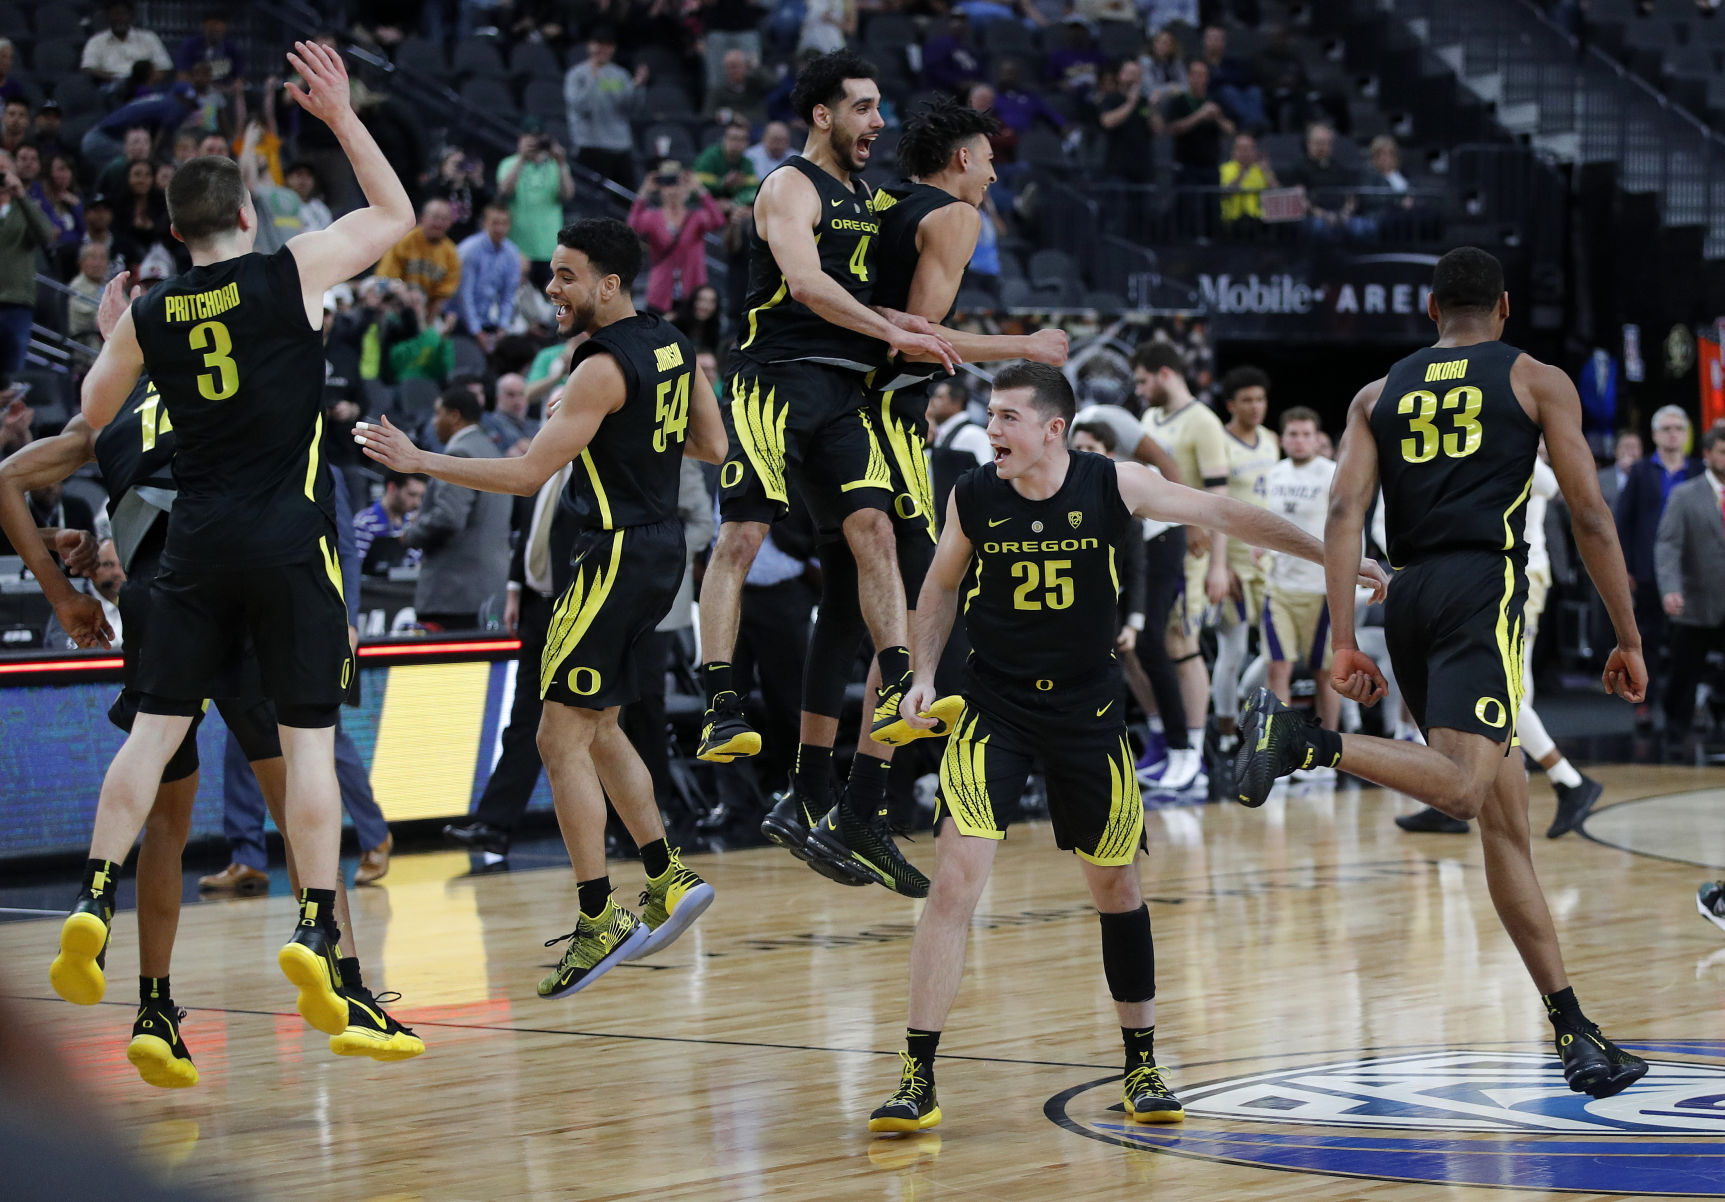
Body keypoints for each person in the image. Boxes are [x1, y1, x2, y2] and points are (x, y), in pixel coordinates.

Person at [867, 361, 1383, 1135]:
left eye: (1007, 417)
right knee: (953, 885)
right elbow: (939, 587)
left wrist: (1335, 558)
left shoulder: (1118, 484)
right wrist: (922, 671)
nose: (990, 429)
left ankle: (1142, 1061)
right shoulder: (973, 494)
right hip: (993, 708)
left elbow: (1229, 513)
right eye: (989, 415)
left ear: (1052, 429)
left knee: (1116, 889)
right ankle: (916, 1076)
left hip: (1087, 713)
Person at [59, 41, 419, 1051]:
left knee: (153, 736)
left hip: (194, 547)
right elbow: (392, 216)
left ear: (172, 230)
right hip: (288, 537)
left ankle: (93, 892)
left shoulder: (156, 310)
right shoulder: (289, 271)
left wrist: (111, 328)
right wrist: (343, 116)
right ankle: (313, 921)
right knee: (306, 743)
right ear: (250, 215)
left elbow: (95, 414)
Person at [1235, 246, 1650, 1101]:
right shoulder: (1535, 379)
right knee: (1464, 792)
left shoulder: (1375, 394)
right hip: (1480, 587)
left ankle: (1573, 1030)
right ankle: (1303, 743)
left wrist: (1342, 642)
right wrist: (1627, 634)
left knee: (1504, 826)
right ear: (1502, 307)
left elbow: (1344, 513)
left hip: (1408, 592)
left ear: (1430, 311)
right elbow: (1588, 514)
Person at [8, 344, 420, 1086]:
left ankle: (150, 1002)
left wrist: (63, 589)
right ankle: (345, 980)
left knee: (166, 820)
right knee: (297, 798)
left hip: (162, 600)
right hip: (244, 591)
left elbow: (7, 477)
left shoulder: (109, 414)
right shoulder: (232, 391)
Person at [356, 217, 730, 997]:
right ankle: (664, 874)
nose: (550, 289)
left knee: (555, 736)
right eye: (550, 273)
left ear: (609, 284)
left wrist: (422, 460)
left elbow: (529, 475)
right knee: (597, 728)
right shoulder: (668, 342)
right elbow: (711, 446)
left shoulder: (598, 365)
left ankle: (598, 916)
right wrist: (630, 442)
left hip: (611, 556)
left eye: (565, 276)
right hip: (661, 552)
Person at [755, 97, 1067, 894]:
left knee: (844, 605)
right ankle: (860, 807)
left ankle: (809, 792)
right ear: (960, 158)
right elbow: (918, 334)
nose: (996, 172)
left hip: (821, 412)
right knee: (927, 608)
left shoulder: (876, 199)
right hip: (883, 418)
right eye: (989, 157)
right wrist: (1023, 346)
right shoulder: (956, 218)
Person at [692, 52, 957, 802]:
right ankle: (719, 702)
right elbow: (806, 285)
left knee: (872, 533)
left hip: (842, 392)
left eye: (879, 107)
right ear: (823, 115)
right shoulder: (786, 185)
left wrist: (915, 325)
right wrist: (891, 329)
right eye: (865, 107)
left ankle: (901, 686)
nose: (878, 121)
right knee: (741, 535)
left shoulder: (865, 194)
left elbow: (866, 295)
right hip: (772, 381)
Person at [1398, 441, 1606, 836]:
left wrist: (1524, 443)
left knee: (1503, 690)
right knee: (1512, 688)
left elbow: (1548, 485)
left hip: (1518, 578)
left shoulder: (1514, 447)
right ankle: (1509, 784)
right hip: (1482, 579)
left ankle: (1566, 779)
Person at [1133, 340, 1229, 792]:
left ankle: (1193, 751)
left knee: (1183, 644)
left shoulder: (1204, 422)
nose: (1139, 390)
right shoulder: (1150, 419)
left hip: (1193, 552)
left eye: (1142, 380)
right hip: (1155, 546)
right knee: (1145, 646)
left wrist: (1218, 566)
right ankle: (1164, 742)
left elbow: (1221, 499)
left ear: (1165, 372)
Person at [1259, 406, 1340, 765]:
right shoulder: (1273, 475)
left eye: (1306, 434)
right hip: (1279, 588)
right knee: (1277, 667)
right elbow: (1262, 522)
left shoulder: (1332, 474)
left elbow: (1347, 530)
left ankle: (1328, 751)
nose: (1300, 440)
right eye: (1293, 434)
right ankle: (1283, 749)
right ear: (1282, 438)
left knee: (1326, 673)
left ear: (1316, 437)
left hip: (1321, 590)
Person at [1210, 367, 1279, 766]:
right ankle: (1222, 733)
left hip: (1268, 560)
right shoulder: (1218, 441)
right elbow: (1212, 506)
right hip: (1232, 559)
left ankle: (1234, 703)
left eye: (1261, 399)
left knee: (1277, 652)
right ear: (1232, 404)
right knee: (1232, 649)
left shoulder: (1271, 440)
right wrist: (1220, 565)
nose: (1256, 407)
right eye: (1248, 400)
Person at [399, 388, 511, 630]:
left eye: (437, 413)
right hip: (490, 589)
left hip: (454, 594)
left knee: (444, 668)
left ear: (454, 416)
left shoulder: (460, 453)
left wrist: (412, 534)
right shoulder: (494, 452)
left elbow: (449, 517)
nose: (433, 421)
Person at [1615, 404, 1699, 725]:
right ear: (1654, 434)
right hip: (1647, 568)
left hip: (1689, 571)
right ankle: (1644, 702)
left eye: (1678, 428)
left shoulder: (1696, 469)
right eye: (1666, 428)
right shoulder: (1640, 471)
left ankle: (1681, 706)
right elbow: (1623, 522)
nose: (1673, 433)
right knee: (1647, 637)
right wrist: (1624, 568)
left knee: (1685, 641)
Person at [1656, 426, 1725, 747]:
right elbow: (1668, 545)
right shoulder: (1685, 494)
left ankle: (1717, 712)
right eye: (1722, 451)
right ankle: (1674, 729)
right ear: (1708, 455)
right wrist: (1670, 587)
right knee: (1684, 672)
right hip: (1695, 599)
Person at [628, 164, 727, 315]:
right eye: (667, 185)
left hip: (692, 290)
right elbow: (632, 227)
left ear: (685, 189)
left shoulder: (696, 217)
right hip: (660, 292)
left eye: (677, 185)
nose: (673, 190)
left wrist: (700, 189)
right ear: (661, 190)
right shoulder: (652, 217)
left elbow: (718, 221)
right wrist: (644, 191)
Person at [564, 28, 647, 188]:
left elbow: (632, 109)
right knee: (591, 202)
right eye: (599, 44)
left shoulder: (621, 75)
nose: (603, 49)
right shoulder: (577, 74)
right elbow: (579, 107)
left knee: (624, 201)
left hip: (619, 145)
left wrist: (637, 87)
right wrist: (593, 80)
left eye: (608, 45)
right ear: (590, 46)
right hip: (589, 145)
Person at [496, 124, 575, 286]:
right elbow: (504, 191)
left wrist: (561, 163)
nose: (535, 144)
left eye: (538, 139)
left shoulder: (556, 166)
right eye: (530, 139)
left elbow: (567, 195)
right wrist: (522, 159)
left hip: (549, 249)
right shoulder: (508, 164)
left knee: (550, 303)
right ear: (520, 140)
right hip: (517, 249)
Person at [0, 150, 56, 375]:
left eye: (3, 170)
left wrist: (20, 195)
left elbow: (45, 234)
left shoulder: (25, 207)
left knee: (14, 372)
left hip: (17, 301)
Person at [376, 197, 461, 317]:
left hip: (426, 312)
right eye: (435, 217)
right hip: (395, 306)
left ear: (450, 223)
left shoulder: (451, 253)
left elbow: (441, 297)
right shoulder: (404, 241)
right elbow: (384, 279)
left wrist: (426, 328)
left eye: (444, 219)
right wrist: (402, 292)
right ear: (423, 217)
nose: (439, 223)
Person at [456, 203, 523, 336]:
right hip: (460, 319)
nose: (499, 228)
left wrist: (503, 326)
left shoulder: (512, 253)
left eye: (504, 223)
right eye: (495, 223)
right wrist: (476, 331)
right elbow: (464, 294)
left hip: (488, 320)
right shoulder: (469, 250)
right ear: (484, 224)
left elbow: (508, 295)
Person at [82, 3, 173, 86]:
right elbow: (88, 68)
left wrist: (148, 81)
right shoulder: (96, 41)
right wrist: (114, 78)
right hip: (112, 86)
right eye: (115, 14)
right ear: (107, 17)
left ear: (131, 16)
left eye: (123, 14)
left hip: (145, 85)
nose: (119, 19)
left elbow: (164, 67)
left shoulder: (149, 37)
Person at [693, 118, 762, 206]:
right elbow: (696, 186)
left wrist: (734, 202)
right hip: (705, 206)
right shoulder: (709, 157)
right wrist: (722, 183)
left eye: (741, 140)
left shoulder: (747, 163)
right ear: (724, 140)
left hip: (733, 207)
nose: (736, 143)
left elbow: (753, 191)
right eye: (733, 138)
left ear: (747, 144)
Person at [703, 48, 773, 125]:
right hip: (729, 129)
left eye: (735, 67)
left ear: (746, 67)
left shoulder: (756, 84)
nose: (732, 71)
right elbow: (708, 114)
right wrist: (731, 117)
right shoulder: (718, 90)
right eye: (728, 67)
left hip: (756, 126)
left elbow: (774, 83)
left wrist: (756, 67)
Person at [175, 10, 243, 88]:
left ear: (224, 27)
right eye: (211, 26)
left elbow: (238, 79)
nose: (215, 29)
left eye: (218, 26)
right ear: (205, 26)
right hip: (196, 91)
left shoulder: (232, 48)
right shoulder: (190, 45)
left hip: (224, 91)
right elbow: (182, 76)